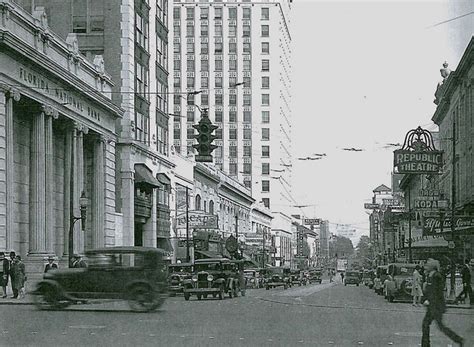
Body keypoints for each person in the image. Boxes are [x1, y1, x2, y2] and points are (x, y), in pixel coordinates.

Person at [421, 258, 464, 347]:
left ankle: (458, 339)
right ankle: (458, 339)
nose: (426, 266)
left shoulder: (436, 276)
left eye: (428, 265)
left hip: (436, 305)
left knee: (432, 325)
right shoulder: (431, 275)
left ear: (432, 266)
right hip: (433, 305)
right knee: (432, 325)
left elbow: (436, 291)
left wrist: (429, 300)